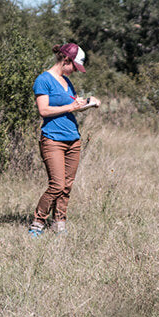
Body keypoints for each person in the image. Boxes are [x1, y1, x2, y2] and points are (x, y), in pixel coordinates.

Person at [29, 43, 100, 237]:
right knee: (57, 185)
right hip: (53, 139)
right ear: (66, 60)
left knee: (67, 186)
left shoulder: (67, 81)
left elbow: (75, 105)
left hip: (73, 139)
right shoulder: (43, 80)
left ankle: (59, 223)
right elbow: (44, 110)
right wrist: (71, 108)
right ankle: (37, 223)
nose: (75, 71)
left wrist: (89, 103)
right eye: (74, 67)